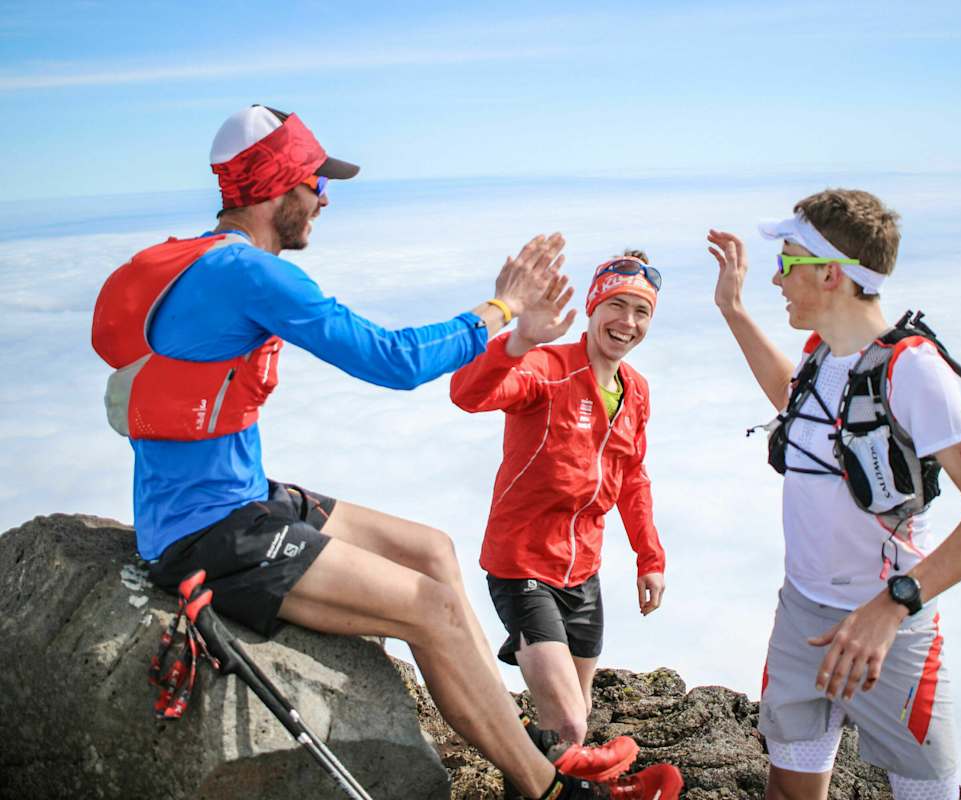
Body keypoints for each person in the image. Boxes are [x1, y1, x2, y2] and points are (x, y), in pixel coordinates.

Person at [90, 105, 681, 800]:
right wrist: (500, 310)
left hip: (238, 499)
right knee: (430, 609)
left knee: (431, 548)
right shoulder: (251, 275)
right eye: (315, 180)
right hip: (207, 535)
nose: (325, 197)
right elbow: (391, 360)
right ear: (277, 185)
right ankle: (551, 789)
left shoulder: (213, 263)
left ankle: (515, 735)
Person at [706, 189, 961, 800]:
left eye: (788, 261)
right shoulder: (821, 354)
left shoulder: (913, 368)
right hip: (801, 614)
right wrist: (733, 311)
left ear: (830, 273)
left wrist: (891, 606)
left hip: (891, 628)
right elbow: (800, 409)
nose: (776, 277)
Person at [449, 251, 667, 748]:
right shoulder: (548, 367)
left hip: (583, 572)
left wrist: (649, 559)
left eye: (642, 311)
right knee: (569, 721)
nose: (627, 322)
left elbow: (632, 476)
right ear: (592, 307)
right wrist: (518, 341)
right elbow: (467, 394)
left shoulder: (635, 391)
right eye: (616, 304)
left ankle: (540, 781)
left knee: (574, 719)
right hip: (522, 565)